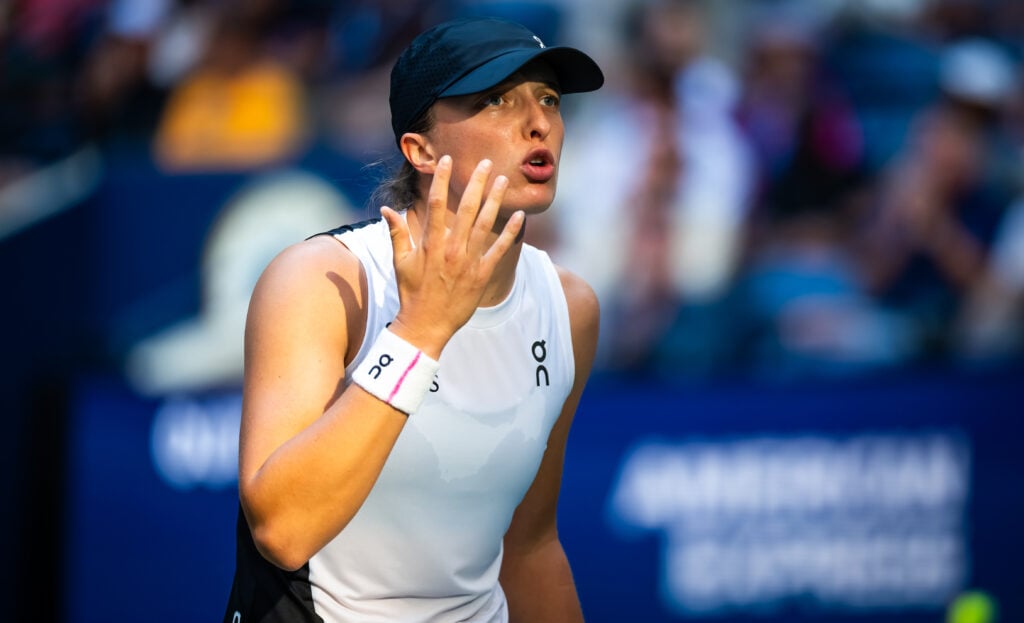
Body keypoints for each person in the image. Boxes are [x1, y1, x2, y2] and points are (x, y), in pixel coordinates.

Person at [222, 16, 603, 623]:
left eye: (549, 99)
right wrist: (421, 331)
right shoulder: (323, 279)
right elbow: (282, 530)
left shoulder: (570, 308)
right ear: (420, 150)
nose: (539, 123)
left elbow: (529, 546)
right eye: (496, 101)